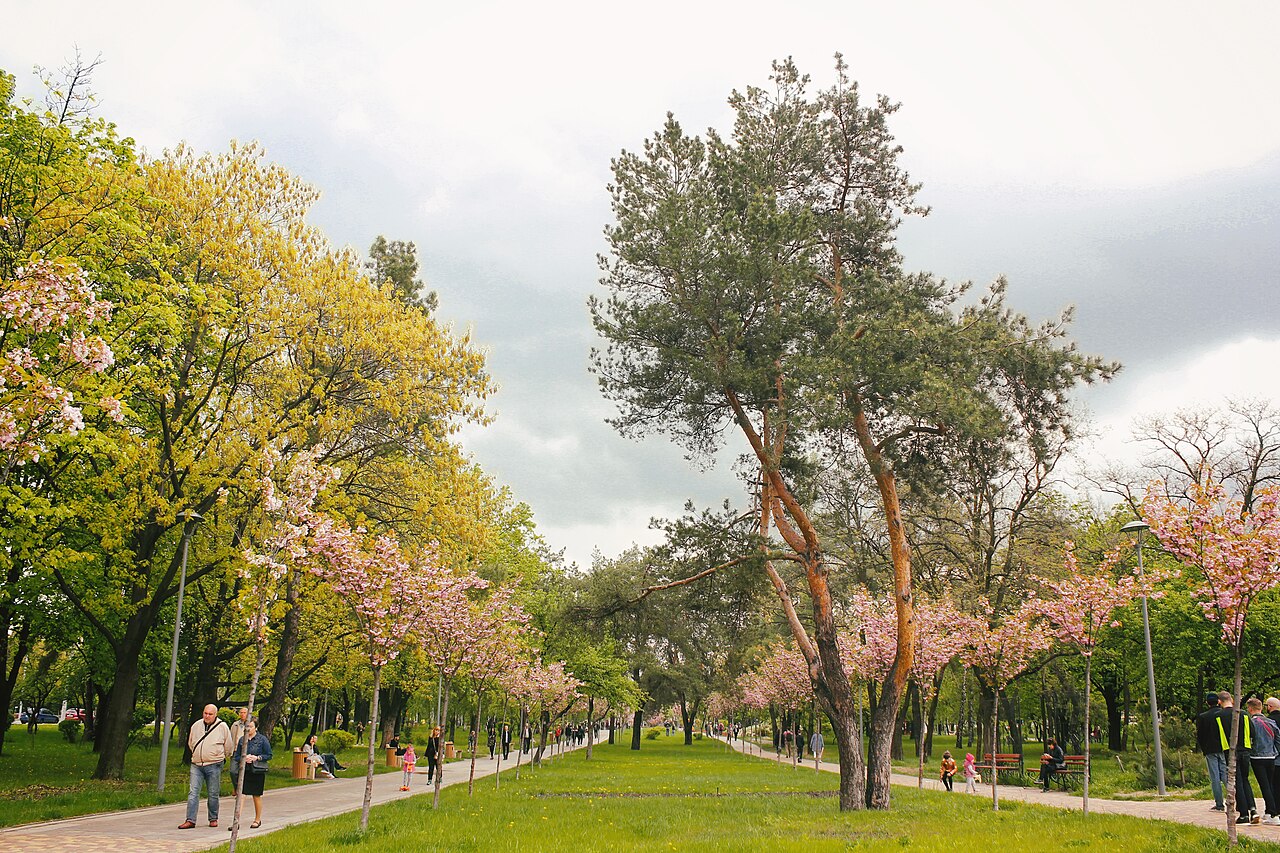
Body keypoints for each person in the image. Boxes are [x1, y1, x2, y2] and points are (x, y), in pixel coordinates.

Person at [179, 704, 235, 829]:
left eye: (210, 714)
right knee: (193, 793)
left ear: (215, 715)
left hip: (214, 764)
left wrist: (219, 756)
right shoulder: (196, 725)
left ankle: (213, 818)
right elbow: (191, 742)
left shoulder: (222, 727)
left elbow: (228, 746)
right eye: (205, 713)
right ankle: (190, 820)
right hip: (197, 764)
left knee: (213, 793)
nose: (207, 716)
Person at [1220, 691, 1258, 825]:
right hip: (1245, 751)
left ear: (1219, 702)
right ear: (1231, 699)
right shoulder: (1244, 714)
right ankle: (1253, 809)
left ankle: (1243, 814)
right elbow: (1253, 732)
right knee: (1246, 780)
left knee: (1238, 782)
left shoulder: (1219, 716)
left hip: (1231, 752)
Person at [231, 717, 272, 830]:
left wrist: (257, 757)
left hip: (257, 771)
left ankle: (257, 819)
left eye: (251, 726)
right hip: (244, 770)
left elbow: (269, 755)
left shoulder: (262, 739)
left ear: (256, 727)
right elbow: (237, 756)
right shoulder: (242, 739)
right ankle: (236, 821)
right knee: (241, 796)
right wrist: (244, 758)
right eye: (246, 726)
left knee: (256, 795)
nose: (248, 729)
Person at [1248, 698, 1280, 824]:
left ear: (1250, 709)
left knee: (1264, 785)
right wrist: (1275, 752)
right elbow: (1278, 740)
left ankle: (1272, 813)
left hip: (1257, 757)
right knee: (1270, 784)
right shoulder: (1271, 722)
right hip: (1271, 758)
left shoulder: (1252, 723)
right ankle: (1269, 812)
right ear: (1261, 708)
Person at [1197, 692, 1228, 811]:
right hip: (1223, 748)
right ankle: (1235, 800)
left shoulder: (1203, 717)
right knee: (1225, 774)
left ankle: (1219, 804)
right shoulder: (1223, 714)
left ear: (1207, 703)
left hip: (1210, 749)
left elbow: (1200, 735)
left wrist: (1204, 749)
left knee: (1215, 777)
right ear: (1218, 701)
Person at [228, 707, 249, 792]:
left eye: (244, 712)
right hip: (236, 751)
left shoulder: (251, 724)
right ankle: (236, 787)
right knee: (233, 771)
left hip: (246, 752)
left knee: (244, 772)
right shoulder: (235, 724)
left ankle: (243, 789)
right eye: (241, 712)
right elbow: (231, 737)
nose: (242, 714)